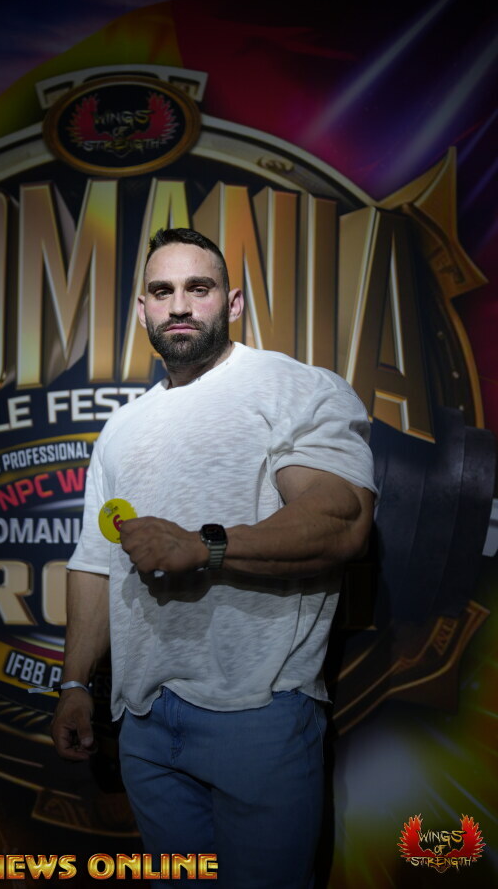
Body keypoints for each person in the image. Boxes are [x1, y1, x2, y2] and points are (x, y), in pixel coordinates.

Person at [52, 227, 376, 888]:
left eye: (197, 289)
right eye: (161, 291)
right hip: (143, 720)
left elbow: (341, 520)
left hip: (259, 710)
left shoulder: (293, 387)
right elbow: (95, 562)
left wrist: (205, 547)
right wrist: (76, 684)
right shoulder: (122, 427)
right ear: (141, 309)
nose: (178, 305)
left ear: (232, 303)